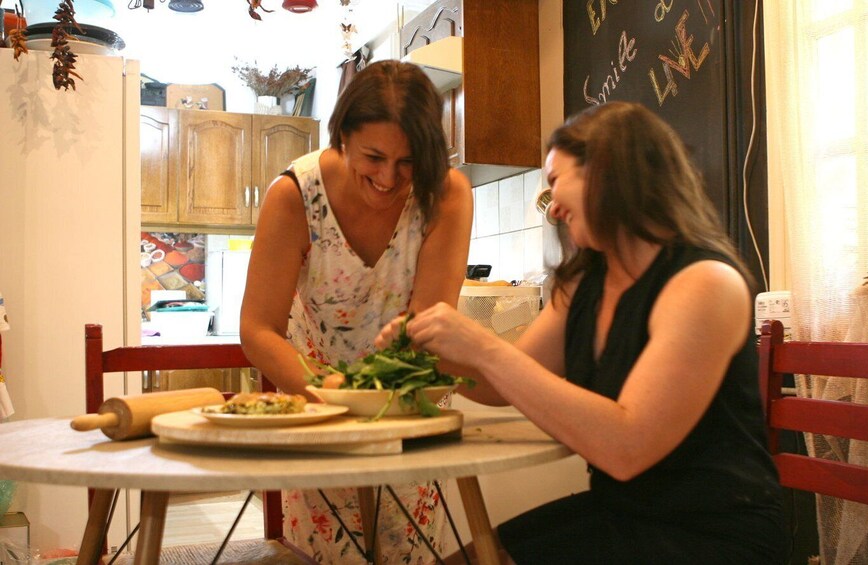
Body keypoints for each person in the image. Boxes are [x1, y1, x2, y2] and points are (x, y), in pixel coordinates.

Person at [375, 101, 787, 564]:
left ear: (607, 169)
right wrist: (429, 347)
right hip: (621, 513)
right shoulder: (585, 284)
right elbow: (498, 386)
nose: (552, 211)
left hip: (712, 535)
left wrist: (480, 345)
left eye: (554, 181)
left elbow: (628, 447)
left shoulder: (705, 283)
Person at [240, 59, 473, 564]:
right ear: (342, 135)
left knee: (409, 550)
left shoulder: (445, 193)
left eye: (408, 162)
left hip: (406, 411)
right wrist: (327, 389)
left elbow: (427, 321)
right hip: (317, 409)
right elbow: (258, 330)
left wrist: (383, 389)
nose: (389, 178)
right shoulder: (294, 197)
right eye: (373, 157)